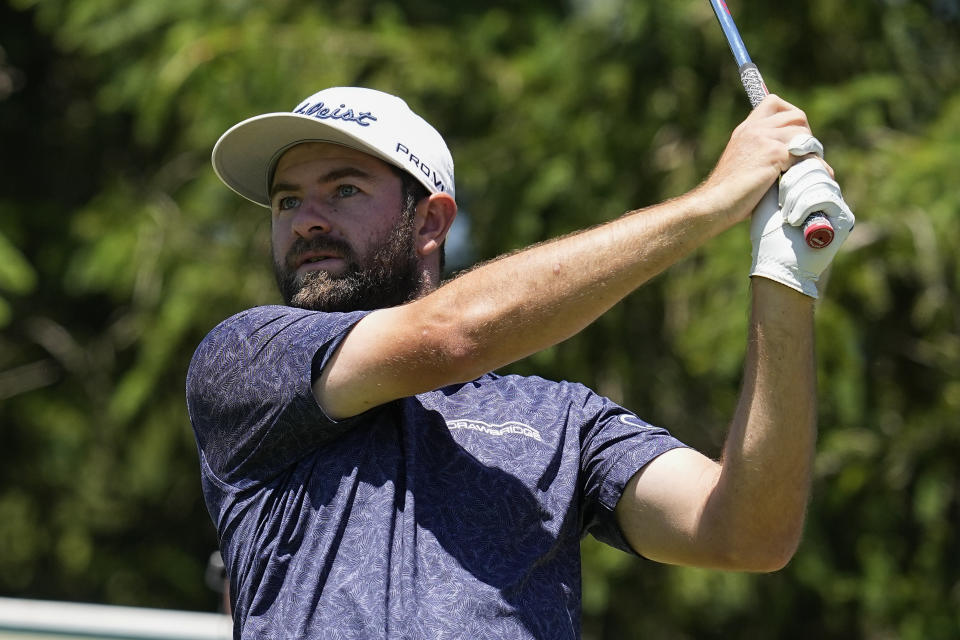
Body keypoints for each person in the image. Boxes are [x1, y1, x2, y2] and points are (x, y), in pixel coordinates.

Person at [186, 86, 854, 638]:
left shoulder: (561, 420)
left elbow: (747, 534)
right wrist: (714, 202)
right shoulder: (246, 359)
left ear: (429, 223)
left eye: (344, 190)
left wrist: (785, 278)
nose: (305, 220)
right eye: (287, 200)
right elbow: (451, 335)